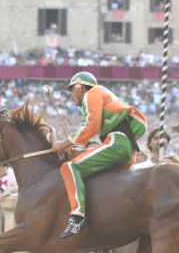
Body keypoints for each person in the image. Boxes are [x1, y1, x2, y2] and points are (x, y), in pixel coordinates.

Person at [50, 71, 147, 238]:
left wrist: (63, 144)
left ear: (80, 86)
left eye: (72, 89)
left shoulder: (92, 93)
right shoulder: (103, 96)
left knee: (70, 167)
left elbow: (91, 125)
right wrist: (76, 147)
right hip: (125, 147)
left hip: (117, 142)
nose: (72, 95)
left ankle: (77, 216)